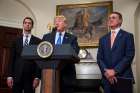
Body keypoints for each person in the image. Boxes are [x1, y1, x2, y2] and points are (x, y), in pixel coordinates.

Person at [97, 12, 135, 93]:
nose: (110, 19)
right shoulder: (102, 39)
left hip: (123, 77)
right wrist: (106, 72)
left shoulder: (128, 36)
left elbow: (129, 56)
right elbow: (100, 58)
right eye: (109, 18)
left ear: (120, 21)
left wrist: (114, 71)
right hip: (107, 79)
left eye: (113, 17)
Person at [42, 15, 80, 93]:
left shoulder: (72, 38)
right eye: (55, 21)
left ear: (65, 24)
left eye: (59, 21)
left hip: (67, 76)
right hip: (50, 75)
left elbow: (75, 52)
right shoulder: (46, 37)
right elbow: (41, 52)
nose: (56, 23)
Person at [7, 17, 41, 93]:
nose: (27, 24)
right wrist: (9, 76)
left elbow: (38, 61)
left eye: (29, 23)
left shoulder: (38, 41)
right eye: (25, 23)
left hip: (30, 77)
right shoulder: (15, 40)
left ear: (32, 26)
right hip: (16, 75)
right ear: (23, 25)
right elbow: (11, 59)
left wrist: (37, 77)